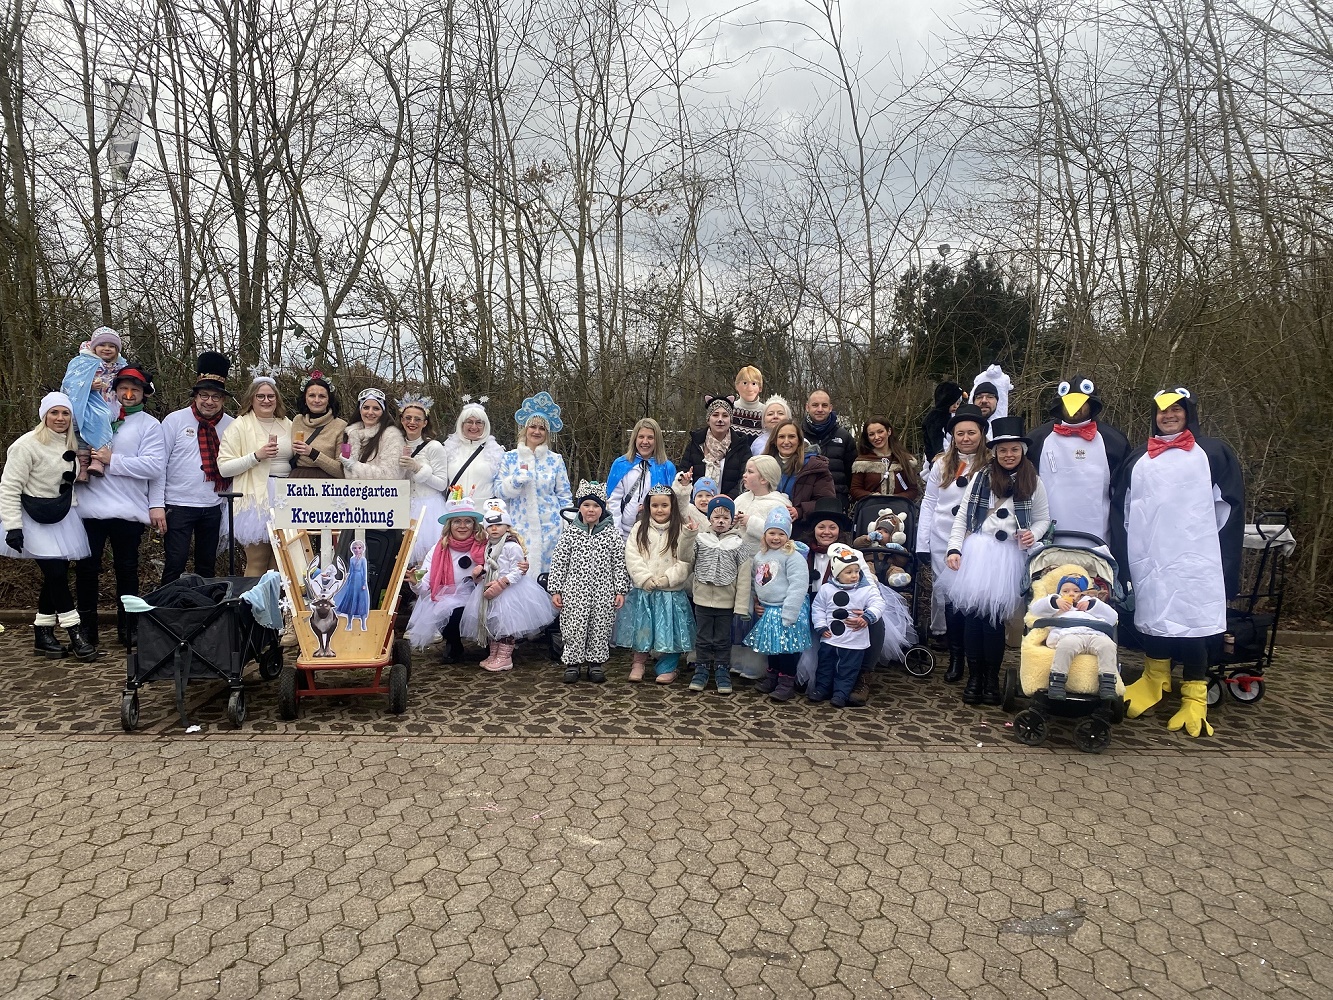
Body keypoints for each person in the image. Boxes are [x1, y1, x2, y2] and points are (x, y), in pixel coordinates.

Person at [1111, 387, 1244, 738]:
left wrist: (1223, 558)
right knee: (1154, 618)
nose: (1168, 416)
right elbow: (1122, 509)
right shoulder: (1139, 457)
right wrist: (1125, 558)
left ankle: (1195, 694)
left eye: (1176, 410)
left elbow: (1228, 508)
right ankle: (1155, 678)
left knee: (1192, 621)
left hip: (1194, 556)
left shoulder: (1213, 453)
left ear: (1189, 412)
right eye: (1161, 411)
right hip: (1151, 555)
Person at [945, 416, 1050, 706]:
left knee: (994, 623)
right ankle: (974, 676)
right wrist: (955, 549)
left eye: (1014, 449)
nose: (1008, 455)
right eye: (1002, 450)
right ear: (995, 452)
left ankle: (991, 678)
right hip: (978, 552)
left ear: (1022, 451)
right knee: (973, 619)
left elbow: (1043, 519)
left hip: (1008, 557)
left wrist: (1033, 534)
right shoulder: (981, 478)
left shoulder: (1033, 481)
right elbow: (963, 517)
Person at [74, 365, 166, 651]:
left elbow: (154, 466)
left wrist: (115, 460)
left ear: (143, 395)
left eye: (135, 390)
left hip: (127, 509)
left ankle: (129, 628)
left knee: (127, 569)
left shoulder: (150, 425)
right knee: (86, 569)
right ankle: (87, 629)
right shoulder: (94, 417)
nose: (128, 394)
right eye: (123, 389)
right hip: (89, 508)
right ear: (113, 391)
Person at [0, 392, 96, 659]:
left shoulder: (69, 443)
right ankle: (75, 631)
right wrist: (13, 526)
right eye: (54, 413)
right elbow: (8, 487)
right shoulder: (26, 445)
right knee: (56, 575)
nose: (60, 418)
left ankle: (42, 633)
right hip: (32, 518)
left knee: (56, 576)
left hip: (61, 516)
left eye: (65, 413)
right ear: (44, 415)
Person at [916, 403, 989, 680]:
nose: (965, 438)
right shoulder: (942, 464)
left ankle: (973, 656)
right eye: (960, 433)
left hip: (976, 540)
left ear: (981, 434)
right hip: (942, 538)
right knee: (947, 594)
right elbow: (930, 502)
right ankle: (954, 655)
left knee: (971, 596)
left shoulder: (990, 465)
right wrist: (923, 542)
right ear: (953, 436)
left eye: (971, 432)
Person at [159, 352, 235, 585]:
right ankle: (168, 613)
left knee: (206, 565)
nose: (209, 401)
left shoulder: (231, 425)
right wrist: (157, 504)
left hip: (213, 504)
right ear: (195, 396)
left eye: (216, 396)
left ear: (223, 399)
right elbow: (159, 464)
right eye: (204, 395)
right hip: (178, 503)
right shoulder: (175, 421)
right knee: (175, 562)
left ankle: (204, 614)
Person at [1026, 376, 1130, 542]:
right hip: (1049, 535)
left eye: (1081, 403)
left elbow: (1122, 494)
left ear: (1091, 404)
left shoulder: (1114, 441)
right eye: (1069, 402)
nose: (1075, 408)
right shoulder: (1036, 439)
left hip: (1098, 536)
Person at [547, 481, 630, 684]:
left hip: (604, 591)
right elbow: (559, 561)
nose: (591, 510)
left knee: (600, 627)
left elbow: (619, 563)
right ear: (579, 507)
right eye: (586, 505)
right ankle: (573, 663)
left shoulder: (612, 535)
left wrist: (620, 589)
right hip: (574, 591)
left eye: (595, 506)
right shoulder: (570, 533)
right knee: (574, 627)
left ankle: (596, 663)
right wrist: (556, 589)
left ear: (602, 508)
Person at [615, 484, 698, 684]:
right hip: (646, 590)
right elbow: (632, 556)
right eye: (655, 506)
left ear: (672, 507)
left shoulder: (680, 529)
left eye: (664, 505)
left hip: (670, 591)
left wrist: (667, 579)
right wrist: (645, 578)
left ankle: (669, 666)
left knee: (671, 629)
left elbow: (686, 560)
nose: (659, 510)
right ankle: (638, 663)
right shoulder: (639, 528)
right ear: (648, 507)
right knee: (643, 628)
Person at [460, 500, 557, 671]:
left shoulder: (512, 546)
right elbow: (490, 564)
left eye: (499, 524)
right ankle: (494, 654)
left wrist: (503, 582)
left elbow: (518, 570)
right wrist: (481, 571)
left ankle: (504, 657)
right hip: (490, 586)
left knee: (506, 625)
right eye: (490, 526)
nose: (494, 528)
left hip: (509, 591)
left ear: (507, 526)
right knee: (492, 623)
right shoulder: (490, 545)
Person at [218, 371, 293, 576]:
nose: (266, 400)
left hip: (286, 495)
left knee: (281, 562)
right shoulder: (239, 426)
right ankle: (251, 607)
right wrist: (256, 456)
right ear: (251, 399)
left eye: (271, 396)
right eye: (260, 396)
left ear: (277, 399)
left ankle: (274, 606)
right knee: (258, 560)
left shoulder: (288, 423)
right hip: (255, 497)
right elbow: (224, 467)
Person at [495, 393, 573, 578]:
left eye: (542, 428)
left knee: (549, 576)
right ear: (525, 429)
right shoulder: (510, 457)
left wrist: (568, 521)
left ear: (547, 433)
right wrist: (514, 481)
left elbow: (564, 494)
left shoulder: (555, 460)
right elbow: (498, 492)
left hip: (551, 528)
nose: (537, 432)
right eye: (533, 426)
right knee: (519, 572)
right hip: (518, 526)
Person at [405, 494, 486, 657]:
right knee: (446, 609)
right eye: (457, 521)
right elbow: (426, 585)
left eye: (467, 521)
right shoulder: (438, 550)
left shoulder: (484, 544)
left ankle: (492, 645)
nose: (462, 526)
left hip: (481, 595)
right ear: (449, 525)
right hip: (451, 598)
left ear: (474, 525)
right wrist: (415, 582)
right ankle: (453, 643)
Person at [747, 507, 812, 702]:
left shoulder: (793, 557)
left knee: (786, 650)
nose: (776, 538)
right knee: (772, 647)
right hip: (768, 609)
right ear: (765, 534)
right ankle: (772, 677)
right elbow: (756, 582)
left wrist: (790, 613)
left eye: (781, 534)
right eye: (772, 533)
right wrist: (756, 602)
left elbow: (798, 585)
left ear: (788, 536)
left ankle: (786, 683)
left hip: (786, 610)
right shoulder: (760, 557)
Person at [688, 495, 751, 695]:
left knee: (723, 638)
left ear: (732, 519)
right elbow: (685, 559)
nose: (721, 521)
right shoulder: (700, 539)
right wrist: (687, 537)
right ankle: (702, 668)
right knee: (703, 637)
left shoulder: (739, 544)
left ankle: (722, 669)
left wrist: (741, 606)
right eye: (716, 517)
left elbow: (744, 577)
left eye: (726, 517)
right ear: (709, 519)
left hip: (726, 602)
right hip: (703, 599)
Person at [811, 546, 886, 707]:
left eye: (856, 572)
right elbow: (818, 608)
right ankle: (822, 689)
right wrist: (821, 626)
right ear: (837, 573)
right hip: (830, 638)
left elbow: (878, 602)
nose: (854, 576)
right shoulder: (827, 589)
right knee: (825, 665)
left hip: (854, 640)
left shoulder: (865, 590)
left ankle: (841, 693)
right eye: (849, 572)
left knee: (848, 669)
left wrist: (868, 616)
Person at [1029, 574, 1119, 701]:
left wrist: (1092, 605)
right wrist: (1055, 602)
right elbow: (1035, 609)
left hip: (1094, 633)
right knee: (1066, 646)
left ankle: (1108, 683)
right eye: (1065, 591)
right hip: (1069, 633)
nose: (1071, 594)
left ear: (1084, 592)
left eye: (1076, 591)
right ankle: (1057, 681)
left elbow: (1113, 617)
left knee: (1108, 646)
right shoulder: (1057, 602)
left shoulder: (1092, 602)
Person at [61, 326, 127, 481]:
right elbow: (69, 382)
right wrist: (87, 386)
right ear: (94, 346)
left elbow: (132, 377)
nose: (107, 349)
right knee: (83, 427)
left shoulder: (120, 366)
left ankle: (98, 459)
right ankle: (82, 466)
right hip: (86, 403)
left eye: (112, 346)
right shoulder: (82, 362)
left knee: (104, 420)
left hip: (109, 403)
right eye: (102, 345)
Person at [395, 393, 452, 564]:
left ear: (425, 423)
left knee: (425, 561)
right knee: (400, 560)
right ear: (402, 420)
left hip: (427, 510)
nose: (412, 422)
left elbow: (442, 484)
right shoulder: (394, 445)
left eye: (417, 419)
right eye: (408, 418)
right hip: (401, 506)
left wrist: (418, 468)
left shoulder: (434, 447)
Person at [606, 417, 677, 536]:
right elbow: (614, 501)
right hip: (624, 533)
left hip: (657, 534)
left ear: (657, 440)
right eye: (641, 437)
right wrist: (616, 532)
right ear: (635, 439)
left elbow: (673, 503)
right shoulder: (621, 464)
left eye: (650, 437)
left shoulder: (667, 468)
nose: (645, 441)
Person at [765, 420, 835, 532]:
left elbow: (827, 502)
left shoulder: (815, 466)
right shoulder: (763, 463)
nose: (786, 441)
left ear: (799, 441)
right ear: (774, 440)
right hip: (767, 527)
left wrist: (800, 510)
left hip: (802, 530)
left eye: (791, 436)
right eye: (782, 437)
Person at [680, 396, 751, 497]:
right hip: (697, 504)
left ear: (730, 420)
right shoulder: (696, 444)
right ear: (708, 419)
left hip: (730, 505)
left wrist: (726, 499)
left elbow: (745, 480)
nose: (720, 419)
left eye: (725, 415)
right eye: (715, 415)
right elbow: (682, 475)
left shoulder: (741, 446)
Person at [442, 396, 505, 503]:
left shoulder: (497, 452)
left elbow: (502, 486)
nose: (474, 426)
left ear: (485, 425)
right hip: (455, 512)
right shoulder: (447, 449)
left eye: (479, 422)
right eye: (469, 422)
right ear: (461, 425)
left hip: (484, 513)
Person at [288, 370, 347, 481]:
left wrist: (312, 453)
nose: (316, 400)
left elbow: (342, 471)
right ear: (305, 399)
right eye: (311, 395)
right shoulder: (297, 421)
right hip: (297, 482)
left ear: (329, 399)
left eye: (322, 396)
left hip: (326, 485)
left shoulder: (340, 426)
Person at [732, 455, 794, 558]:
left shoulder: (778, 505)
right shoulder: (740, 499)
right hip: (735, 560)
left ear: (764, 479)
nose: (744, 475)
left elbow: (783, 534)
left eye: (750, 472)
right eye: (745, 471)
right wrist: (731, 523)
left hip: (763, 563)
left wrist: (751, 522)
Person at [801, 390, 855, 509]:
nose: (820, 409)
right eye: (815, 405)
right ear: (807, 407)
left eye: (824, 405)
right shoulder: (797, 435)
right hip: (805, 503)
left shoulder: (844, 437)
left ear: (830, 408)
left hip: (836, 502)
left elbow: (852, 474)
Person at [851, 418, 922, 503]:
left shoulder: (906, 460)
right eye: (871, 434)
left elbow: (913, 490)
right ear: (867, 437)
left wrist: (895, 499)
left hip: (900, 511)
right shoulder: (862, 462)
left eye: (880, 432)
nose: (876, 437)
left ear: (889, 431)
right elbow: (855, 490)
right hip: (871, 510)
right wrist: (875, 498)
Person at [340, 388, 406, 480]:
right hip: (354, 492)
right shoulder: (352, 434)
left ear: (383, 412)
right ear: (360, 410)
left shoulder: (392, 436)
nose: (370, 412)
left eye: (376, 408)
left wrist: (355, 466)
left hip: (381, 493)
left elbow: (391, 475)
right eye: (366, 407)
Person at [921, 382, 965, 465]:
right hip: (939, 458)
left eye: (958, 403)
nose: (956, 406)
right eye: (953, 403)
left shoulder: (952, 416)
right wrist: (940, 452)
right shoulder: (935, 418)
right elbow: (936, 438)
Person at [730, 366, 765, 438]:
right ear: (737, 386)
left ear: (760, 388)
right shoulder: (729, 409)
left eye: (754, 384)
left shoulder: (767, 412)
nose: (749, 388)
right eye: (745, 383)